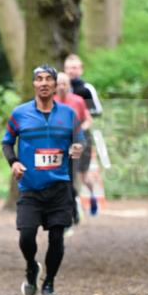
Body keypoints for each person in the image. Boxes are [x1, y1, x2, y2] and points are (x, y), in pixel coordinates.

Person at [3, 65, 84, 295]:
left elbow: (79, 140)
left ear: (56, 84)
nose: (45, 83)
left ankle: (49, 283)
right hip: (30, 187)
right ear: (34, 84)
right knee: (26, 236)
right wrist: (14, 162)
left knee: (57, 237)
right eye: (39, 79)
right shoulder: (20, 114)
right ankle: (31, 267)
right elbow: (7, 142)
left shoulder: (68, 114)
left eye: (49, 79)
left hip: (60, 187)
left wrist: (78, 147)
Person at [63, 54, 102, 215]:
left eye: (75, 67)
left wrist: (82, 119)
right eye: (69, 68)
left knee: (83, 174)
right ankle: (74, 205)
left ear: (81, 69)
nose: (72, 71)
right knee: (67, 173)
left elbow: (97, 111)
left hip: (82, 136)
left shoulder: (86, 89)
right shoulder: (58, 87)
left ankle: (92, 195)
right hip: (63, 137)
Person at [56, 71, 92, 224]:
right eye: (58, 84)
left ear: (69, 85)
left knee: (70, 180)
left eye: (64, 84)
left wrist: (77, 133)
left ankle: (74, 211)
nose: (61, 87)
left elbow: (87, 120)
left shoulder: (77, 101)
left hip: (74, 145)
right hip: (55, 147)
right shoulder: (50, 101)